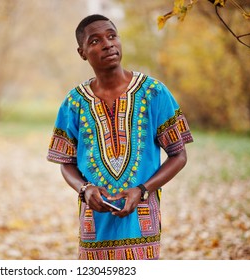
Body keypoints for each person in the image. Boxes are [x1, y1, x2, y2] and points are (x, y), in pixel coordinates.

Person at [47, 14, 193, 260]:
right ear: (82, 52)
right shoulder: (74, 102)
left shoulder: (154, 93)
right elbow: (66, 162)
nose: (108, 44)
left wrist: (143, 190)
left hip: (141, 224)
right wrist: (84, 189)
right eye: (95, 41)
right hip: (95, 229)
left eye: (112, 36)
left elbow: (178, 155)